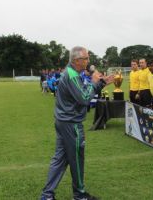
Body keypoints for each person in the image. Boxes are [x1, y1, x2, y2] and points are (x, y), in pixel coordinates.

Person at [41, 46, 114, 200]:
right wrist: (95, 82)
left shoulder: (72, 73)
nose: (88, 61)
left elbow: (82, 94)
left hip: (63, 121)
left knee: (60, 159)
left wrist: (101, 83)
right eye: (86, 58)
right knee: (77, 159)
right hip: (71, 124)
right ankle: (79, 195)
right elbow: (84, 98)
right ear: (76, 60)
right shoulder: (72, 75)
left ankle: (47, 195)